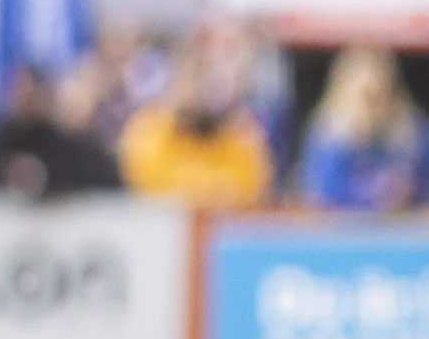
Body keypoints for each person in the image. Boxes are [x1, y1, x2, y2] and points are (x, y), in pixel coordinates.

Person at [118, 28, 275, 208]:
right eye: (191, 77)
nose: (199, 89)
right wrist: (210, 191)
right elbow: (149, 184)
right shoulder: (149, 128)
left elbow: (251, 186)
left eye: (206, 79)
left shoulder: (237, 132)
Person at [297, 47, 426, 213]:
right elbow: (321, 194)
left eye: (380, 94)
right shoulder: (330, 133)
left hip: (402, 229)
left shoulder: (409, 129)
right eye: (366, 95)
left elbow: (422, 184)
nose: (373, 104)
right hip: (347, 231)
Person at [0, 63, 122, 200]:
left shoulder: (59, 139)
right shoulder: (1, 137)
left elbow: (94, 172)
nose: (24, 100)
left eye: (30, 94)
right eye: (19, 92)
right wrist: (8, 171)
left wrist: (42, 174)